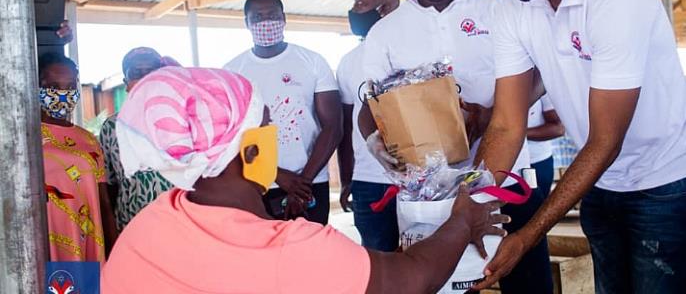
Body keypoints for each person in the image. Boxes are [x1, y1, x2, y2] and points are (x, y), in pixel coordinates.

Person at [472, 0, 686, 293]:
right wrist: (470, 204)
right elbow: (505, 123)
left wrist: (528, 235)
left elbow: (606, 140)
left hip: (666, 174)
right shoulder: (512, 10)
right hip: (603, 179)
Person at [101, 66, 509, 294]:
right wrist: (464, 220)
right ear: (250, 151)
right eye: (266, 127)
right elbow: (412, 280)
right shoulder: (288, 250)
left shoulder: (149, 223)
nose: (274, 136)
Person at [358, 0, 552, 293]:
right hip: (431, 194)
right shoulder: (386, 32)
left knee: (527, 280)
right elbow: (371, 102)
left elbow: (543, 74)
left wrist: (496, 115)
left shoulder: (500, 10)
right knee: (445, 284)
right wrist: (374, 143)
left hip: (505, 177)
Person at [225, 0, 342, 225]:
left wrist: (303, 181)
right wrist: (278, 175)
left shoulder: (312, 61)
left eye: (272, 15)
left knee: (311, 252)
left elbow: (333, 126)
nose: (266, 22)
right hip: (258, 180)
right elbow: (232, 135)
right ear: (246, 23)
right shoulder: (233, 71)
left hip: (311, 181)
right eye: (257, 17)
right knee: (264, 255)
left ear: (284, 18)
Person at [337, 0, 401, 251]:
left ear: (384, 9)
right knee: (377, 259)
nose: (353, 11)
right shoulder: (349, 61)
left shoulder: (413, 48)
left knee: (428, 257)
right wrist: (346, 179)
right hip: (369, 180)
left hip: (420, 177)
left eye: (361, 5)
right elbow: (345, 125)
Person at [39, 52, 118, 261]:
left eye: (70, 86)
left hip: (87, 244)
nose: (63, 94)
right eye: (54, 86)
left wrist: (114, 251)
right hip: (43, 244)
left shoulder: (88, 140)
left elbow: (103, 202)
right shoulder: (25, 139)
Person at [99, 47, 175, 232]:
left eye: (151, 71)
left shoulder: (181, 119)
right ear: (126, 82)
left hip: (180, 223)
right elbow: (109, 186)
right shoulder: (112, 127)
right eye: (136, 73)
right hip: (132, 224)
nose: (144, 78)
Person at [526, 95, 564, 198]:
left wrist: (514, 133)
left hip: (536, 162)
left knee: (537, 210)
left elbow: (558, 129)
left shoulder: (539, 82)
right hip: (497, 162)